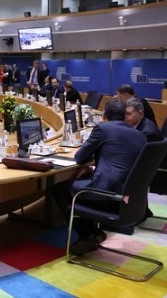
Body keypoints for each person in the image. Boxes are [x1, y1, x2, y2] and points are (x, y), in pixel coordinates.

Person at [52, 99, 146, 255]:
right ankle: (92, 232)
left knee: (59, 189)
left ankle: (87, 234)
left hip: (109, 196)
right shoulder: (140, 135)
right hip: (130, 199)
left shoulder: (103, 128)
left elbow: (79, 157)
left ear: (104, 115)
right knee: (82, 179)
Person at [124, 98, 167, 206]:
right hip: (148, 168)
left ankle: (129, 210)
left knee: (112, 172)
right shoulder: (140, 124)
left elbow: (130, 156)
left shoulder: (147, 133)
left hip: (158, 175)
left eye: (128, 114)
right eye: (124, 114)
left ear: (140, 113)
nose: (125, 117)